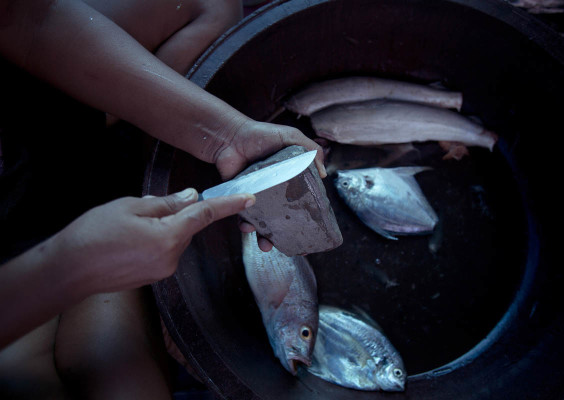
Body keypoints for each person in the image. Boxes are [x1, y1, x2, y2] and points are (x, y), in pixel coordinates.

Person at [0, 0, 324, 398]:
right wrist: (73, 266)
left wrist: (226, 135)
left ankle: (126, 158)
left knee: (214, 5)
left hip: (20, 136)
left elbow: (28, 19)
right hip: (22, 291)